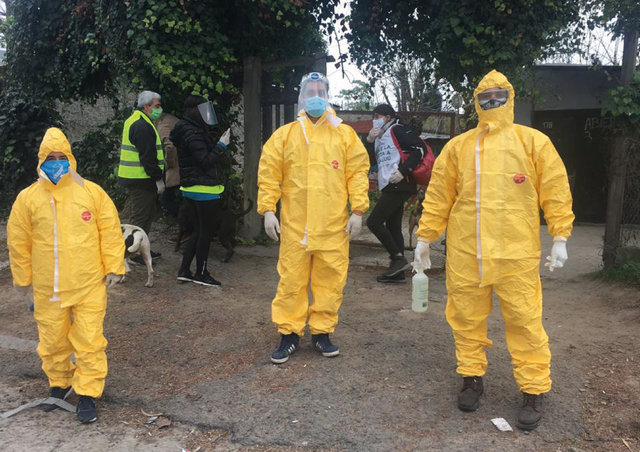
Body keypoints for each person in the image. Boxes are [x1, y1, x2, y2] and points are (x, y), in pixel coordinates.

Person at [413, 70, 575, 431]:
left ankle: (533, 389)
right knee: (466, 318)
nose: (492, 102)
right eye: (485, 97)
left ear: (510, 98)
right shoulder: (458, 147)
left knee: (525, 321)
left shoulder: (532, 142)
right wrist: (426, 237)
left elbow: (555, 188)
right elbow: (440, 196)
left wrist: (560, 236)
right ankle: (471, 377)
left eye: (498, 96)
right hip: (467, 252)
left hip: (516, 253)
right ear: (476, 102)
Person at [7, 127, 125, 424]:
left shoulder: (90, 192)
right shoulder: (28, 199)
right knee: (52, 339)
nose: (56, 162)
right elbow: (18, 241)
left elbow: (109, 231)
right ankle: (59, 384)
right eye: (51, 157)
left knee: (89, 339)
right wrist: (24, 279)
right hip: (48, 285)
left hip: (88, 282)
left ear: (71, 158)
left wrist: (114, 266)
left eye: (61, 156)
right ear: (41, 160)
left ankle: (87, 392)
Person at [258, 72, 370, 364]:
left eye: (321, 90)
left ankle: (322, 333)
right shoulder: (285, 135)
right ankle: (289, 334)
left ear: (328, 94)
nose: (316, 96)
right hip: (296, 225)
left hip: (332, 225)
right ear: (302, 96)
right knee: (291, 280)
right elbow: (270, 172)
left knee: (330, 280)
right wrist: (268, 209)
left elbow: (357, 172)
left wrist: (358, 210)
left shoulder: (344, 134)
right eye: (311, 91)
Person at [170, 95, 231, 287]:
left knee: (197, 230)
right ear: (194, 111)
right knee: (205, 232)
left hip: (192, 188)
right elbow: (205, 162)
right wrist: (221, 145)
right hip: (204, 189)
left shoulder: (186, 130)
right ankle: (201, 273)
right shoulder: (193, 133)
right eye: (203, 110)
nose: (207, 115)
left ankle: (185, 270)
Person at [365, 104, 428, 284]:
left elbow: (420, 149)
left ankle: (398, 259)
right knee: (393, 227)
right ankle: (397, 273)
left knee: (373, 221)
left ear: (388, 117)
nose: (376, 118)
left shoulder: (397, 129)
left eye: (380, 115)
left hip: (400, 183)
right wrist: (370, 140)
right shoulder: (379, 136)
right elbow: (370, 160)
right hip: (388, 185)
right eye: (374, 115)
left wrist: (404, 170)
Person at [117, 90, 165, 263]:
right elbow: (148, 157)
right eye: (157, 106)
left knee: (148, 213)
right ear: (146, 106)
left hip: (139, 178)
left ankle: (140, 249)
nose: (160, 109)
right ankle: (132, 253)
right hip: (141, 179)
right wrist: (158, 178)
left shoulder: (138, 120)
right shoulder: (142, 125)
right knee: (140, 217)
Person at [155, 111, 181, 219]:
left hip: (176, 168)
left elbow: (170, 146)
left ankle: (185, 223)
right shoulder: (171, 118)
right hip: (184, 165)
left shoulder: (163, 125)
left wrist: (168, 163)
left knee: (166, 199)